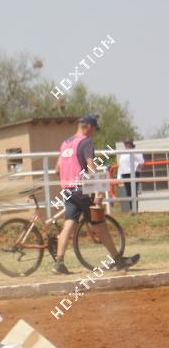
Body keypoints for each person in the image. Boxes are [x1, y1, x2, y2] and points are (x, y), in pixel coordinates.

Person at [53, 114, 140, 274]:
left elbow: (57, 169)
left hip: (67, 189)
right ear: (88, 127)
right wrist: (98, 188)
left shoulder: (65, 143)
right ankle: (118, 261)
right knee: (100, 225)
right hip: (81, 189)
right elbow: (91, 165)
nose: (93, 132)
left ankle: (59, 263)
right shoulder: (86, 142)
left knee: (69, 224)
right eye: (93, 129)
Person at [116, 139, 145, 214]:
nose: (127, 144)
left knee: (134, 191)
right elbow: (121, 164)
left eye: (128, 143)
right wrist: (119, 175)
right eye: (126, 143)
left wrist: (137, 169)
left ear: (131, 144)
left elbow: (141, 162)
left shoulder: (136, 151)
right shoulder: (123, 153)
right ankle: (131, 209)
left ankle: (135, 209)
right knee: (129, 192)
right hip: (125, 173)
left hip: (134, 173)